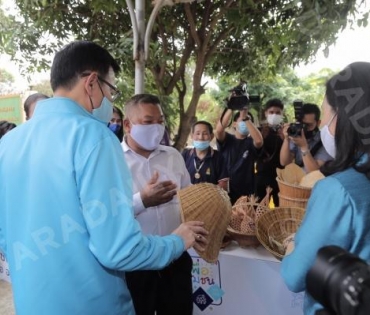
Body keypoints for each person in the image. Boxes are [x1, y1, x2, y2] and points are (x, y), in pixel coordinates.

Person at [0, 41, 208, 315]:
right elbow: (119, 248)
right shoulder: (93, 137)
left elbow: (6, 236)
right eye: (111, 90)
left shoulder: (8, 143)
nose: (110, 102)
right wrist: (177, 241)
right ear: (91, 83)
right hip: (91, 303)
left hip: (32, 303)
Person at [281, 62, 370, 315]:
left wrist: (292, 248)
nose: (322, 128)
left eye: (325, 115)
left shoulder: (337, 190)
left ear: (341, 118)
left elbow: (295, 275)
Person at [121, 93, 200, 315]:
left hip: (175, 259)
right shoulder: (114, 160)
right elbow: (108, 214)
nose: (156, 128)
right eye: (148, 122)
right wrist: (142, 200)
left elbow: (188, 198)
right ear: (128, 124)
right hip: (136, 264)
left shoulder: (173, 156)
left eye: (160, 121)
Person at [215, 107, 263, 204]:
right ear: (234, 124)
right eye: (242, 120)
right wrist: (231, 106)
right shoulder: (227, 139)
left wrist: (245, 117)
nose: (245, 123)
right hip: (225, 190)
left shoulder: (251, 143)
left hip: (247, 192)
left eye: (249, 122)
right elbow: (219, 130)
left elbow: (259, 141)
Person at [280, 103, 332, 173]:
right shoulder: (297, 136)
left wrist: (304, 147)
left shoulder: (325, 140)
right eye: (302, 125)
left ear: (318, 123)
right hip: (298, 181)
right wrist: (286, 139)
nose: (304, 129)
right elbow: (284, 162)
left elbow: (314, 172)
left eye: (308, 125)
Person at [182, 120, 229, 190]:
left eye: (205, 134)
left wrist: (207, 194)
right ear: (192, 136)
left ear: (212, 136)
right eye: (197, 133)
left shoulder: (219, 157)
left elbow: (224, 185)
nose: (201, 137)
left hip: (210, 199)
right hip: (187, 198)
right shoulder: (185, 155)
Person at [255, 98, 285, 206]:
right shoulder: (259, 131)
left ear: (282, 114)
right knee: (259, 210)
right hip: (262, 177)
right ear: (266, 113)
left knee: (280, 211)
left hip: (281, 179)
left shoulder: (286, 132)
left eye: (278, 113)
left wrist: (285, 138)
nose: (274, 115)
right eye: (271, 112)